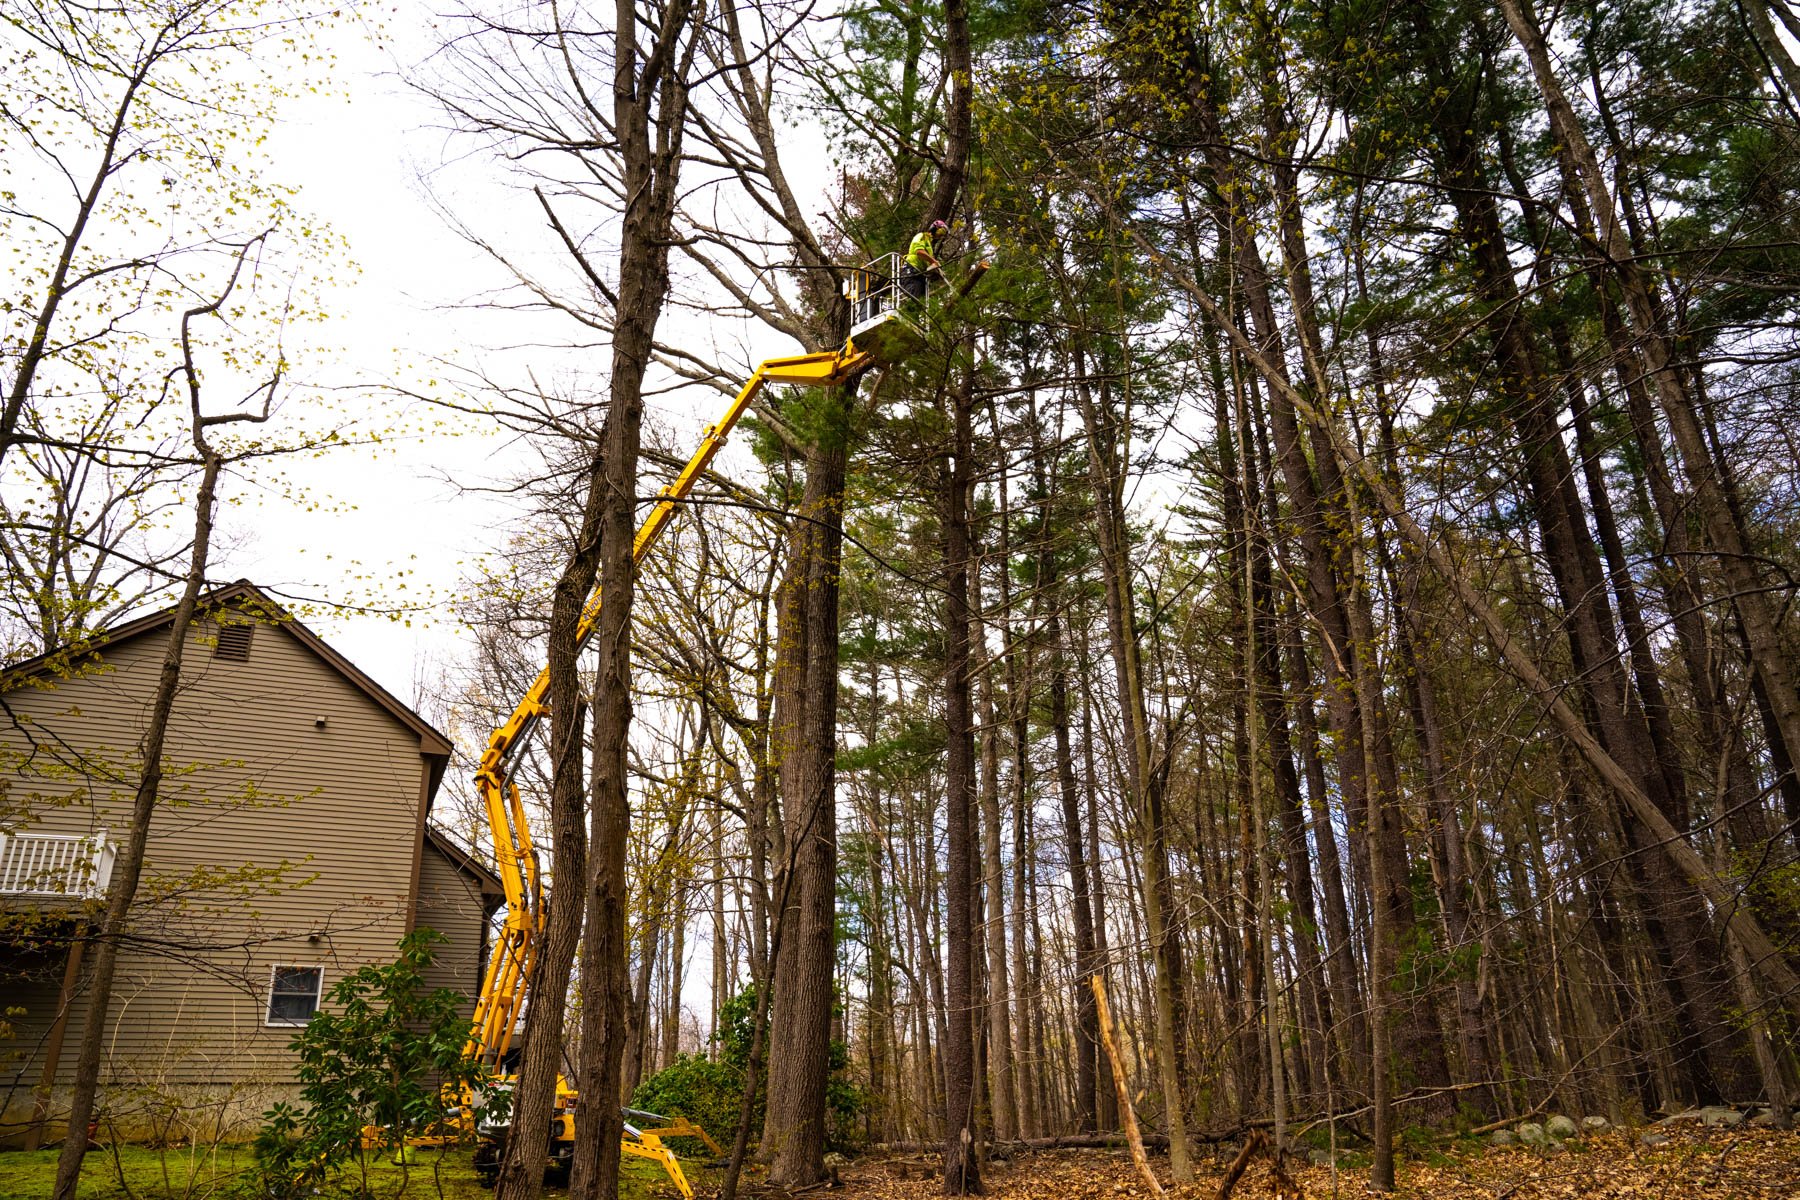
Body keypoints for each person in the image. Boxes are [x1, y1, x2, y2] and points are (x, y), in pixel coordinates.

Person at [900, 218, 948, 302]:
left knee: (921, 303)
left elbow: (928, 263)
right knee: (913, 299)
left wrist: (936, 270)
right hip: (911, 270)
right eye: (941, 232)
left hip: (920, 275)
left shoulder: (929, 245)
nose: (941, 236)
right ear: (934, 228)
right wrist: (933, 261)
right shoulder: (922, 236)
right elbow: (919, 252)